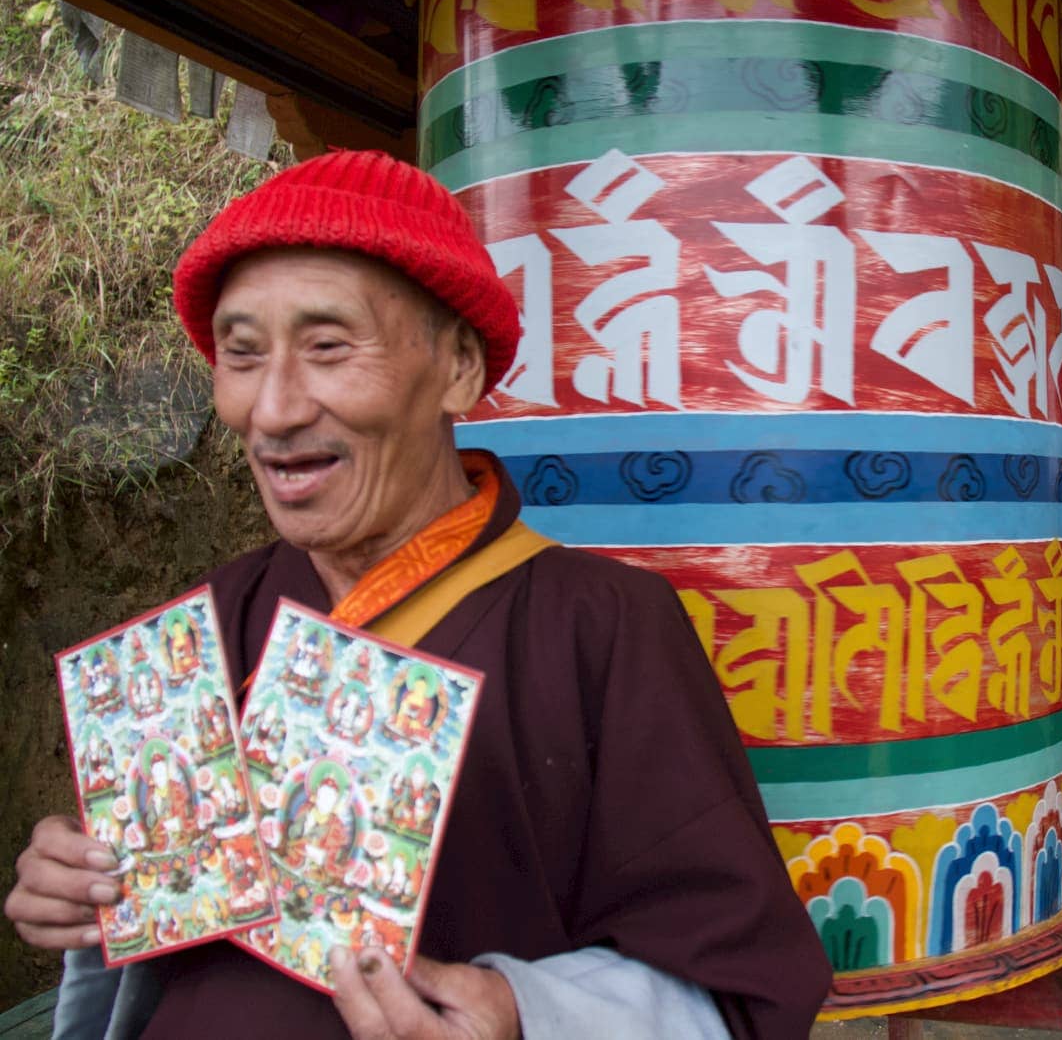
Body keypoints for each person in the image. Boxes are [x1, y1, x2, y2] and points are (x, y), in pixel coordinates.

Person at [5, 149, 832, 1039]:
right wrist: (88, 894)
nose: (274, 409)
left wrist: (526, 1013)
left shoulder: (601, 628)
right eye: (243, 355)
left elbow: (740, 989)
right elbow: (168, 926)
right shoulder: (213, 616)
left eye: (328, 346)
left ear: (460, 368)